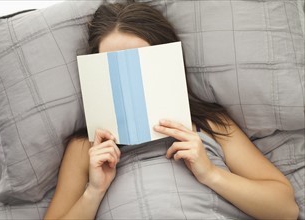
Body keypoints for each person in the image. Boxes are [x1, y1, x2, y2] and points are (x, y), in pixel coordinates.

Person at [44, 2, 299, 219]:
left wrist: (211, 174)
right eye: (113, 66)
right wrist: (94, 191)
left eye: (141, 62)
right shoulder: (85, 147)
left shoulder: (209, 124)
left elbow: (285, 209)